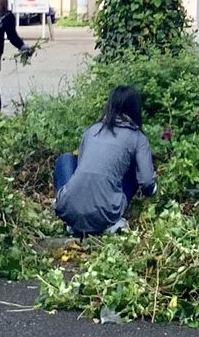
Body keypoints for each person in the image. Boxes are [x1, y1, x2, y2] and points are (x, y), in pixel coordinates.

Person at [54, 85, 156, 235]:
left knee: (65, 159)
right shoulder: (137, 137)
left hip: (68, 211)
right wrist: (152, 190)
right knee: (135, 168)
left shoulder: (92, 130)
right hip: (107, 213)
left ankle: (72, 215)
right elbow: (147, 182)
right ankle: (111, 222)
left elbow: (82, 164)